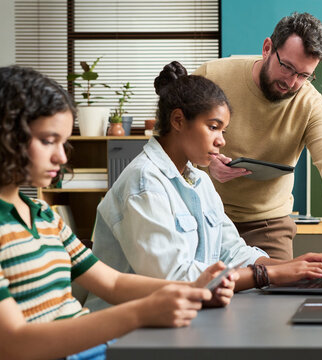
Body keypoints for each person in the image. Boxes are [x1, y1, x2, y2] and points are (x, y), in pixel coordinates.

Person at [0, 65, 237, 360]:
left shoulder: (43, 215)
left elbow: (112, 282)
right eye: (48, 141)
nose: (61, 157)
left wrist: (193, 288)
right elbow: (14, 343)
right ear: (7, 135)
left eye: (63, 143)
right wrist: (141, 313)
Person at [87, 61, 322, 310]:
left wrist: (289, 266)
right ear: (178, 121)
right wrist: (267, 275)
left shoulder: (199, 181)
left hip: (179, 320)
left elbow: (231, 251)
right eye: (213, 127)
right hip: (125, 331)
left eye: (224, 131)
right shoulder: (144, 183)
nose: (221, 141)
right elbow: (174, 279)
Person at [193, 12, 322, 260]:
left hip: (267, 225)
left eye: (304, 75)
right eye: (287, 67)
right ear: (267, 48)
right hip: (201, 215)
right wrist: (207, 165)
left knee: (277, 296)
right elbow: (169, 140)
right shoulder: (211, 76)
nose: (292, 81)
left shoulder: (310, 103)